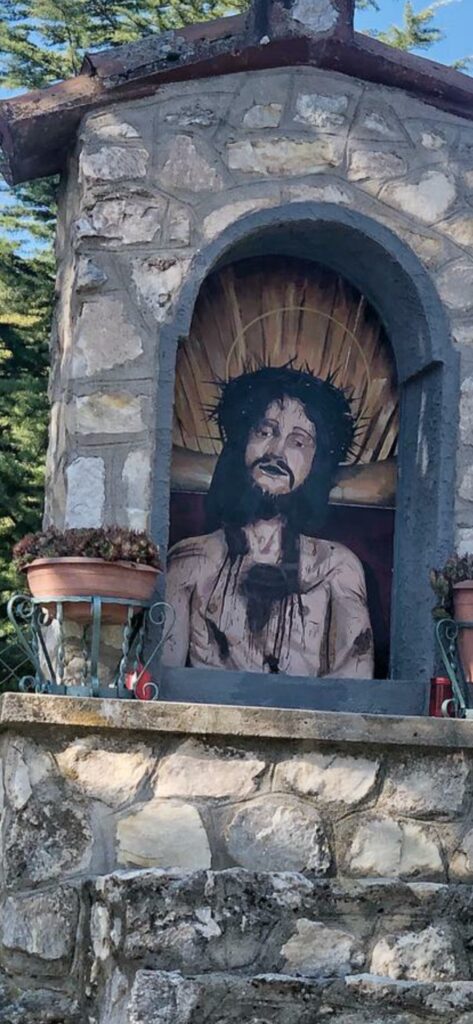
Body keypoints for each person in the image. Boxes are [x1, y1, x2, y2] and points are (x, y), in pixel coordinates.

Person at [163, 365, 374, 678]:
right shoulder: (189, 561)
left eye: (298, 442)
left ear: (315, 464)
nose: (276, 451)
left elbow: (355, 681)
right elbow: (162, 679)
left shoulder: (337, 567)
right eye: (265, 432)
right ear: (241, 444)